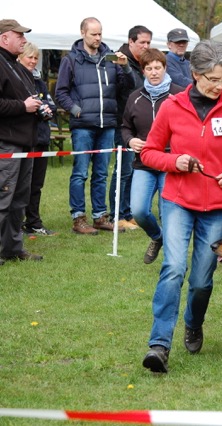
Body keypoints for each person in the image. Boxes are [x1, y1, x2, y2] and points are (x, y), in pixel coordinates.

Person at [140, 40, 222, 373]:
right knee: (174, 268)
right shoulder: (171, 107)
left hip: (218, 207)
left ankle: (194, 323)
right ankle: (159, 344)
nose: (219, 86)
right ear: (195, 74)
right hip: (178, 201)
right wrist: (174, 160)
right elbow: (149, 152)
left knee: (200, 281)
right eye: (212, 79)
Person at [55, 17, 134, 234]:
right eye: (93, 34)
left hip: (107, 123)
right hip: (82, 125)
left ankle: (100, 216)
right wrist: (75, 110)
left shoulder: (111, 59)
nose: (98, 38)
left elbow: (128, 87)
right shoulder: (71, 60)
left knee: (101, 173)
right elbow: (60, 92)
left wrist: (126, 67)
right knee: (80, 172)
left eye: (100, 34)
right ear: (83, 33)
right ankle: (78, 218)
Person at [121, 48, 183, 264]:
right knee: (138, 210)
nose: (154, 72)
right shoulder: (135, 98)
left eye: (158, 67)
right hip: (144, 163)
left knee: (169, 213)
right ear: (143, 71)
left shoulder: (180, 94)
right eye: (149, 68)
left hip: (170, 164)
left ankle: (172, 261)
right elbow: (125, 127)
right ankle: (157, 238)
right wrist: (130, 140)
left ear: (165, 68)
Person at [0, 19, 47, 265]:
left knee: (19, 199)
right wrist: (23, 106)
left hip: (25, 144)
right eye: (19, 36)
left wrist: (39, 107)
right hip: (6, 144)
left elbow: (30, 99)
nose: (24, 40)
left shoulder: (16, 66)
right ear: (4, 38)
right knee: (3, 198)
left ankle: (13, 248)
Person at [109, 25, 152, 231]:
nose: (145, 46)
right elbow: (132, 87)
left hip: (138, 124)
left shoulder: (139, 62)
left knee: (133, 170)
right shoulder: (120, 61)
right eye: (142, 42)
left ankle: (127, 212)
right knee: (123, 171)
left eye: (148, 43)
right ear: (130, 41)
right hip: (122, 122)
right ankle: (117, 215)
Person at [18, 42, 58, 236]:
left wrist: (46, 110)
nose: (33, 61)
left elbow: (51, 105)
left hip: (41, 138)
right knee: (19, 185)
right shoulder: (15, 79)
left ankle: (33, 221)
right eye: (30, 57)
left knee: (36, 184)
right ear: (20, 57)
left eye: (36, 58)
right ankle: (15, 223)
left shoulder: (39, 82)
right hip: (23, 140)